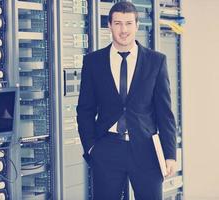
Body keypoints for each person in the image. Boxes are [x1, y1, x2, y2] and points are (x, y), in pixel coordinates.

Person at [76, 2, 177, 200]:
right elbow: (85, 110)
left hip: (146, 150)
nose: (124, 30)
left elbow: (165, 113)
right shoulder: (93, 61)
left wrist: (170, 154)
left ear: (137, 25)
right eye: (118, 23)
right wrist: (91, 148)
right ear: (109, 25)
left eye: (129, 23)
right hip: (107, 149)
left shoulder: (156, 61)